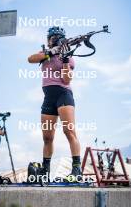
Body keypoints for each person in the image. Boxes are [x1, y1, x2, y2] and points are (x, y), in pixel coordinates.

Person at [28, 26, 81, 181]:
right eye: (52, 37)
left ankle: (77, 170)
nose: (54, 39)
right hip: (48, 97)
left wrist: (64, 59)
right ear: (48, 40)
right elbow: (30, 59)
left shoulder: (69, 57)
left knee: (69, 132)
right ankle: (45, 171)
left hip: (63, 95)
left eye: (57, 37)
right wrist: (51, 51)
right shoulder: (44, 54)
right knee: (47, 138)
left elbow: (66, 79)